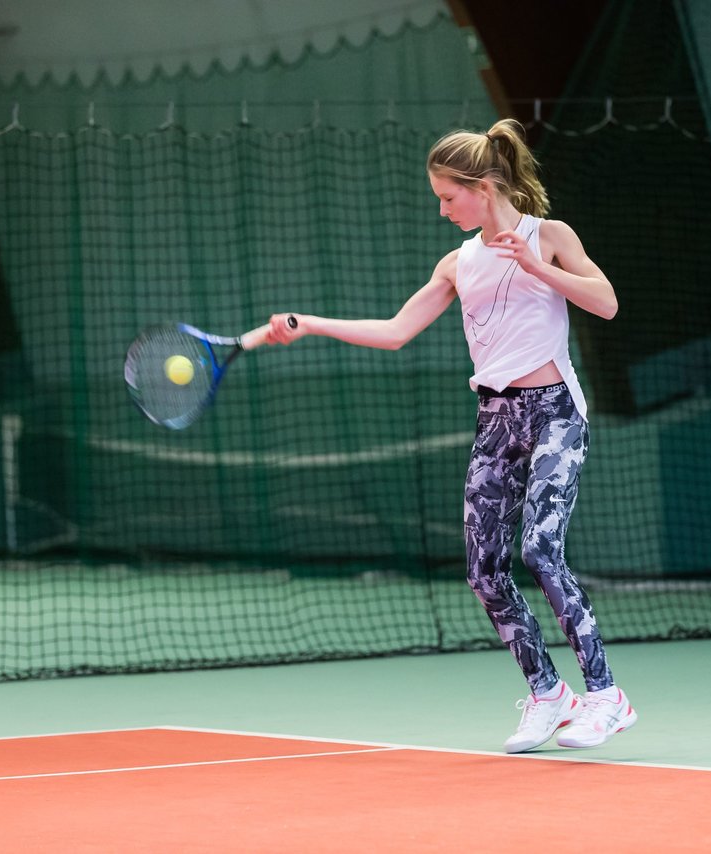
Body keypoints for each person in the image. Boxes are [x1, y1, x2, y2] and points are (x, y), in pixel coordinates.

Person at [265, 118, 636, 752]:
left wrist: (539, 268)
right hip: (495, 419)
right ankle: (549, 695)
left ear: (484, 184)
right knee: (484, 569)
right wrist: (311, 324)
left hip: (554, 414)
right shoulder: (457, 262)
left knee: (543, 549)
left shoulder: (548, 236)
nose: (442, 210)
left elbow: (606, 303)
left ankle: (605, 696)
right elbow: (394, 331)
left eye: (447, 196)